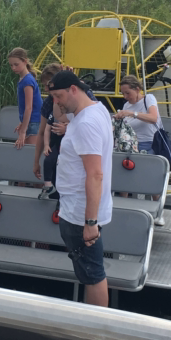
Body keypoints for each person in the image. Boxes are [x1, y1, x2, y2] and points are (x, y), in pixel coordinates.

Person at [48, 70, 113, 308]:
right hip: (78, 206)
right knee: (90, 272)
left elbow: (95, 174)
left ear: (74, 90)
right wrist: (59, 96)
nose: (56, 102)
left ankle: (97, 325)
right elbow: (59, 114)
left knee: (93, 274)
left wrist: (90, 222)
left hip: (80, 212)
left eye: (59, 96)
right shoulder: (96, 109)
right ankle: (92, 320)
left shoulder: (85, 124)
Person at [113, 75, 163, 154]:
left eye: (128, 93)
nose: (125, 97)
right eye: (123, 93)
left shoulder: (148, 99)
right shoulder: (126, 105)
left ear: (137, 89)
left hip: (149, 143)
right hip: (131, 144)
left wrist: (132, 113)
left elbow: (153, 118)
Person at [8, 47, 43, 149]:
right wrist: (22, 123)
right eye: (11, 65)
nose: (13, 68)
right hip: (30, 121)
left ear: (25, 61)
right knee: (23, 150)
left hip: (35, 121)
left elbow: (29, 107)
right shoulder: (22, 79)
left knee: (30, 152)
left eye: (16, 64)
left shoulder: (27, 81)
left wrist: (23, 132)